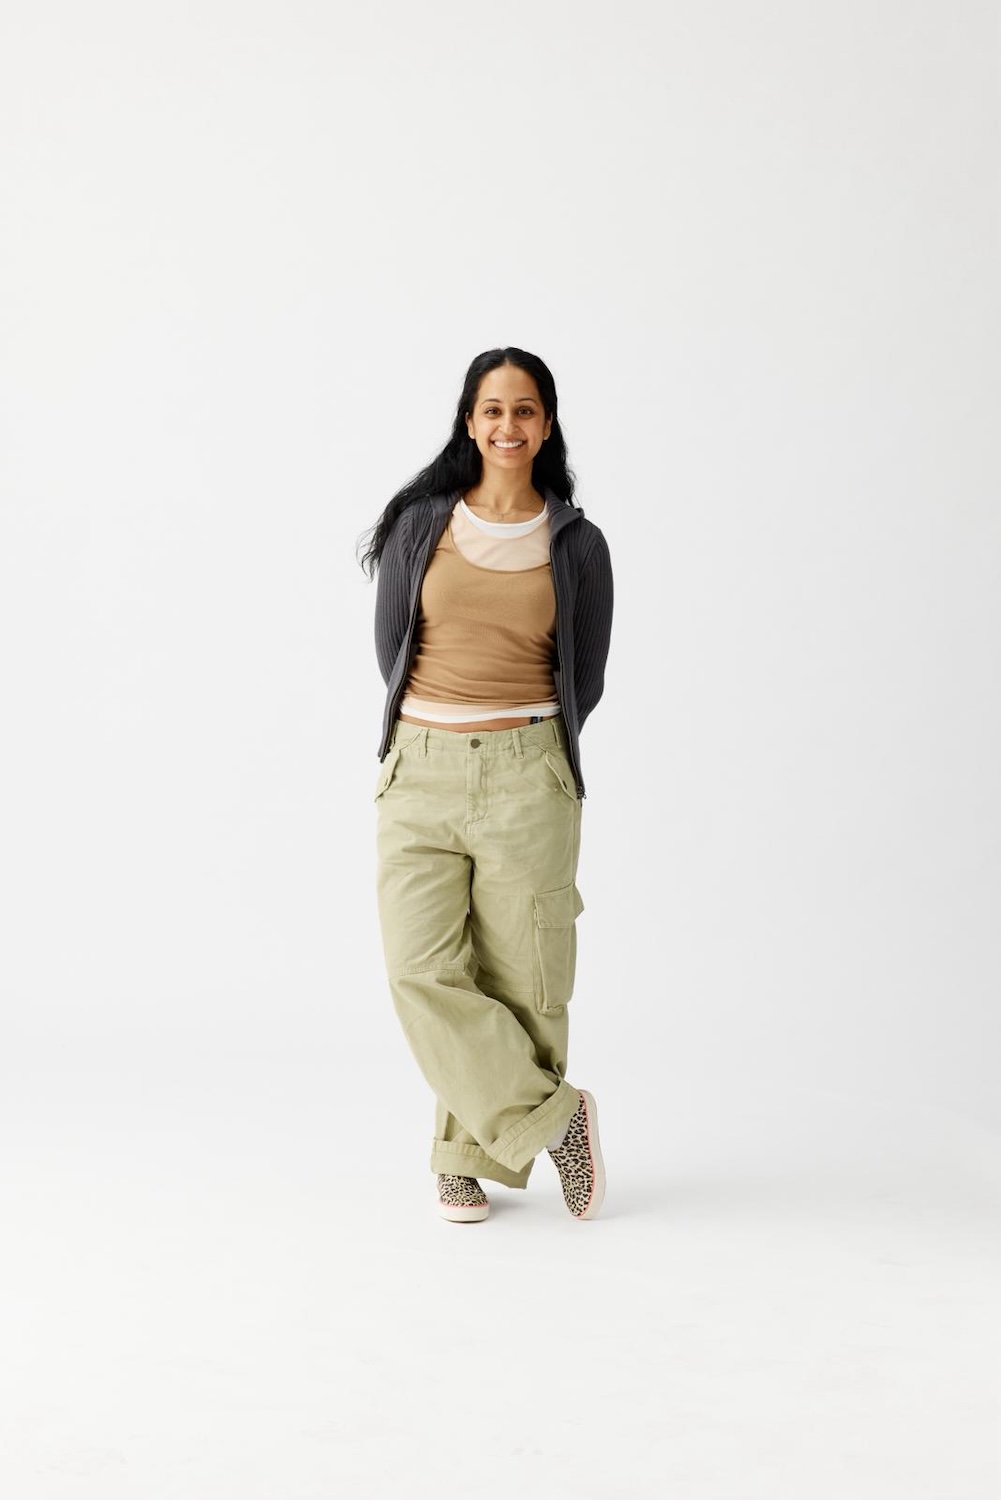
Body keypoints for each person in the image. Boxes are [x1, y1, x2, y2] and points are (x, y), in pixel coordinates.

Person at [360, 347, 613, 1223]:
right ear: (469, 421)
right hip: (420, 769)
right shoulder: (418, 526)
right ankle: (556, 1119)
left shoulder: (576, 543)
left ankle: (462, 1157)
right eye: (493, 409)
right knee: (420, 971)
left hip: (526, 772)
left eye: (525, 410)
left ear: (546, 425)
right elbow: (392, 648)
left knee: (522, 977)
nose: (508, 425)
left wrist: (523, 747)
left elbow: (585, 673)